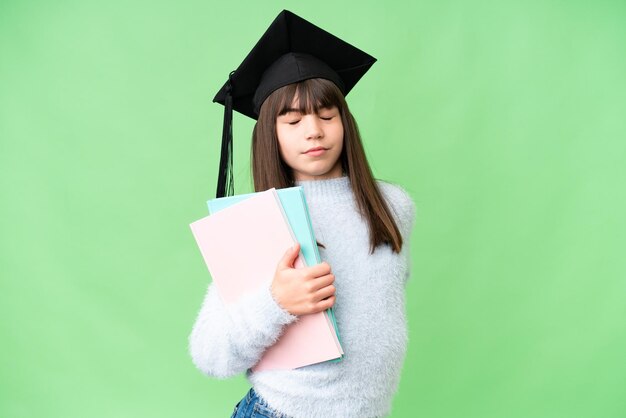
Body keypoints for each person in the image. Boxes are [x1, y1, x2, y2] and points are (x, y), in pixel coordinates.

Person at [188, 10, 416, 418]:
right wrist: (276, 301)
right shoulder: (258, 222)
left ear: (344, 121)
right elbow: (210, 355)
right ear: (269, 135)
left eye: (327, 115)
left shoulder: (393, 207)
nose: (314, 130)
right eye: (292, 120)